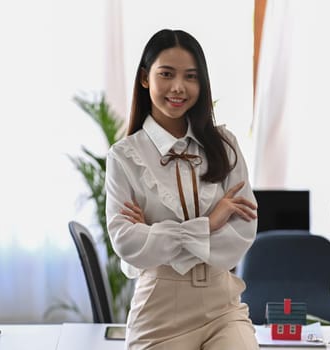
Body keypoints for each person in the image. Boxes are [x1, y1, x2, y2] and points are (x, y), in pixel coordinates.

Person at [105, 29, 259, 350]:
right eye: (167, 74)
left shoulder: (225, 145)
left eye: (191, 76)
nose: (179, 87)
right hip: (160, 313)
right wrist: (210, 224)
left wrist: (155, 233)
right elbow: (128, 243)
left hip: (223, 307)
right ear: (146, 78)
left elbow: (242, 234)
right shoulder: (124, 156)